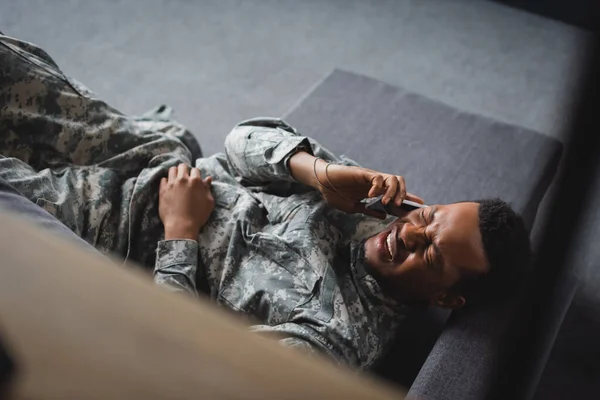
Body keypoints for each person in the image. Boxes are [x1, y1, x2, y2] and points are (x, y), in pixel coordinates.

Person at [0, 34, 531, 368]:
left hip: (114, 226)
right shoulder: (372, 203)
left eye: (432, 255)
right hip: (151, 150)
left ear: (447, 299)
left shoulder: (335, 340)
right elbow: (240, 141)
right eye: (430, 217)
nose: (409, 234)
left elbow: (181, 357)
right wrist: (318, 171)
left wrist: (180, 231)